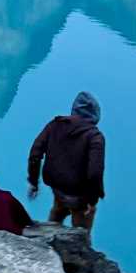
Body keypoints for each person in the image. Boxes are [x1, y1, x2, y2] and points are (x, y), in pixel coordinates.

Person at [27, 91, 105, 232]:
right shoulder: (95, 137)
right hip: (80, 197)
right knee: (81, 233)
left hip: (57, 188)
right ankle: (81, 247)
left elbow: (35, 154)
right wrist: (92, 201)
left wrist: (33, 182)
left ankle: (47, 239)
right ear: (96, 115)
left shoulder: (55, 125)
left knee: (58, 209)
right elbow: (94, 173)